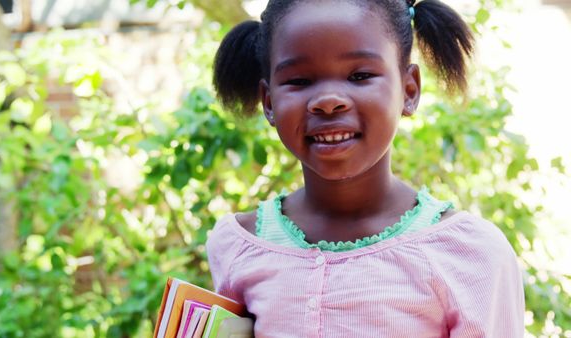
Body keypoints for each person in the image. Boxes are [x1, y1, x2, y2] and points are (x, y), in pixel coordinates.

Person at [206, 0, 525, 336]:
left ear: (409, 90)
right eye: (299, 81)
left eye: (360, 75)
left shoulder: (469, 255)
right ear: (269, 103)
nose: (328, 100)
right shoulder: (238, 247)